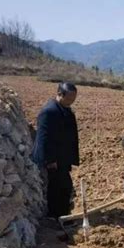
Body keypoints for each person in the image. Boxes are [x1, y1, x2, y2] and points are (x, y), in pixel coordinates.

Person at [32, 82, 80, 219]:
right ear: (59, 94)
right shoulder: (49, 112)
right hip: (53, 159)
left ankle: (63, 215)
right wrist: (50, 160)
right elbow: (44, 138)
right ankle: (56, 216)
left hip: (62, 157)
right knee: (58, 188)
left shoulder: (64, 108)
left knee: (64, 187)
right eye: (69, 99)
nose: (71, 101)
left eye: (73, 99)